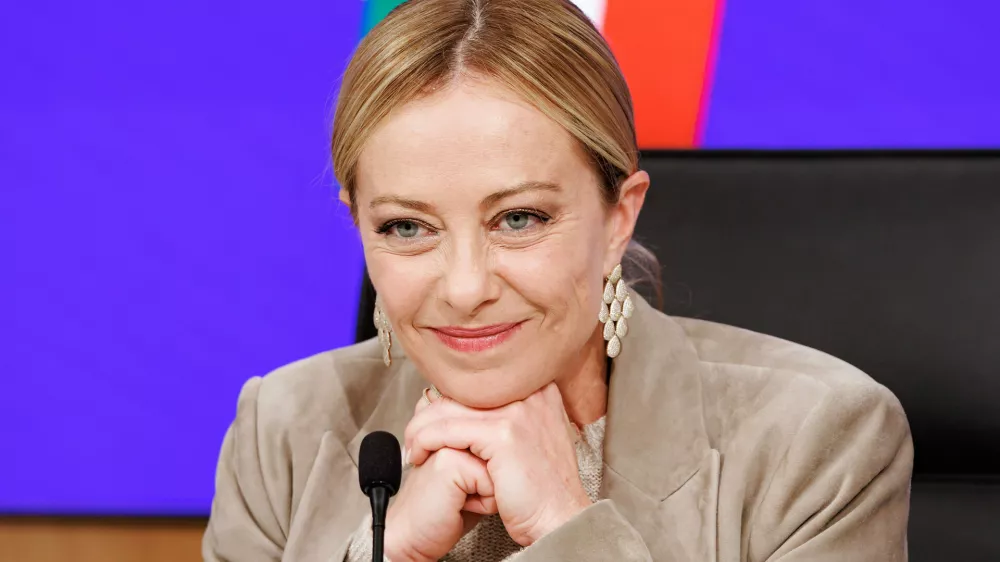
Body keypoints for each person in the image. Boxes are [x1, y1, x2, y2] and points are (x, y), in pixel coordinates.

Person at [202, 0, 913, 560]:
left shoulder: (815, 441)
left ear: (617, 219)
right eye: (406, 228)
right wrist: (388, 555)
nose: (464, 287)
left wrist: (564, 531)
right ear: (358, 225)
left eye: (519, 219)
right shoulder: (283, 431)